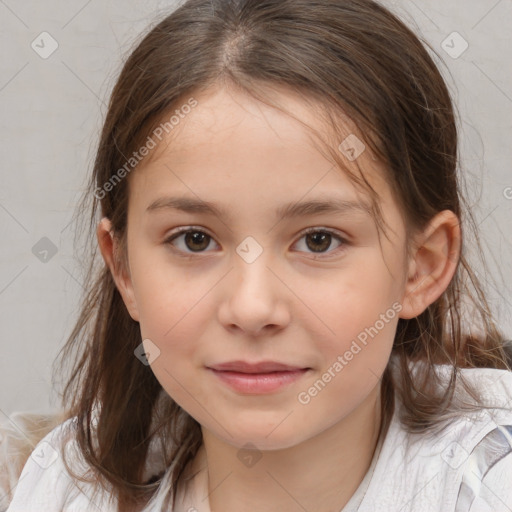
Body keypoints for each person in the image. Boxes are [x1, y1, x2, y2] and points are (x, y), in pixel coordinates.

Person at [5, 0, 512, 511]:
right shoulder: (60, 489)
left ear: (420, 266)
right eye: (194, 239)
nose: (251, 309)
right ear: (124, 269)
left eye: (319, 240)